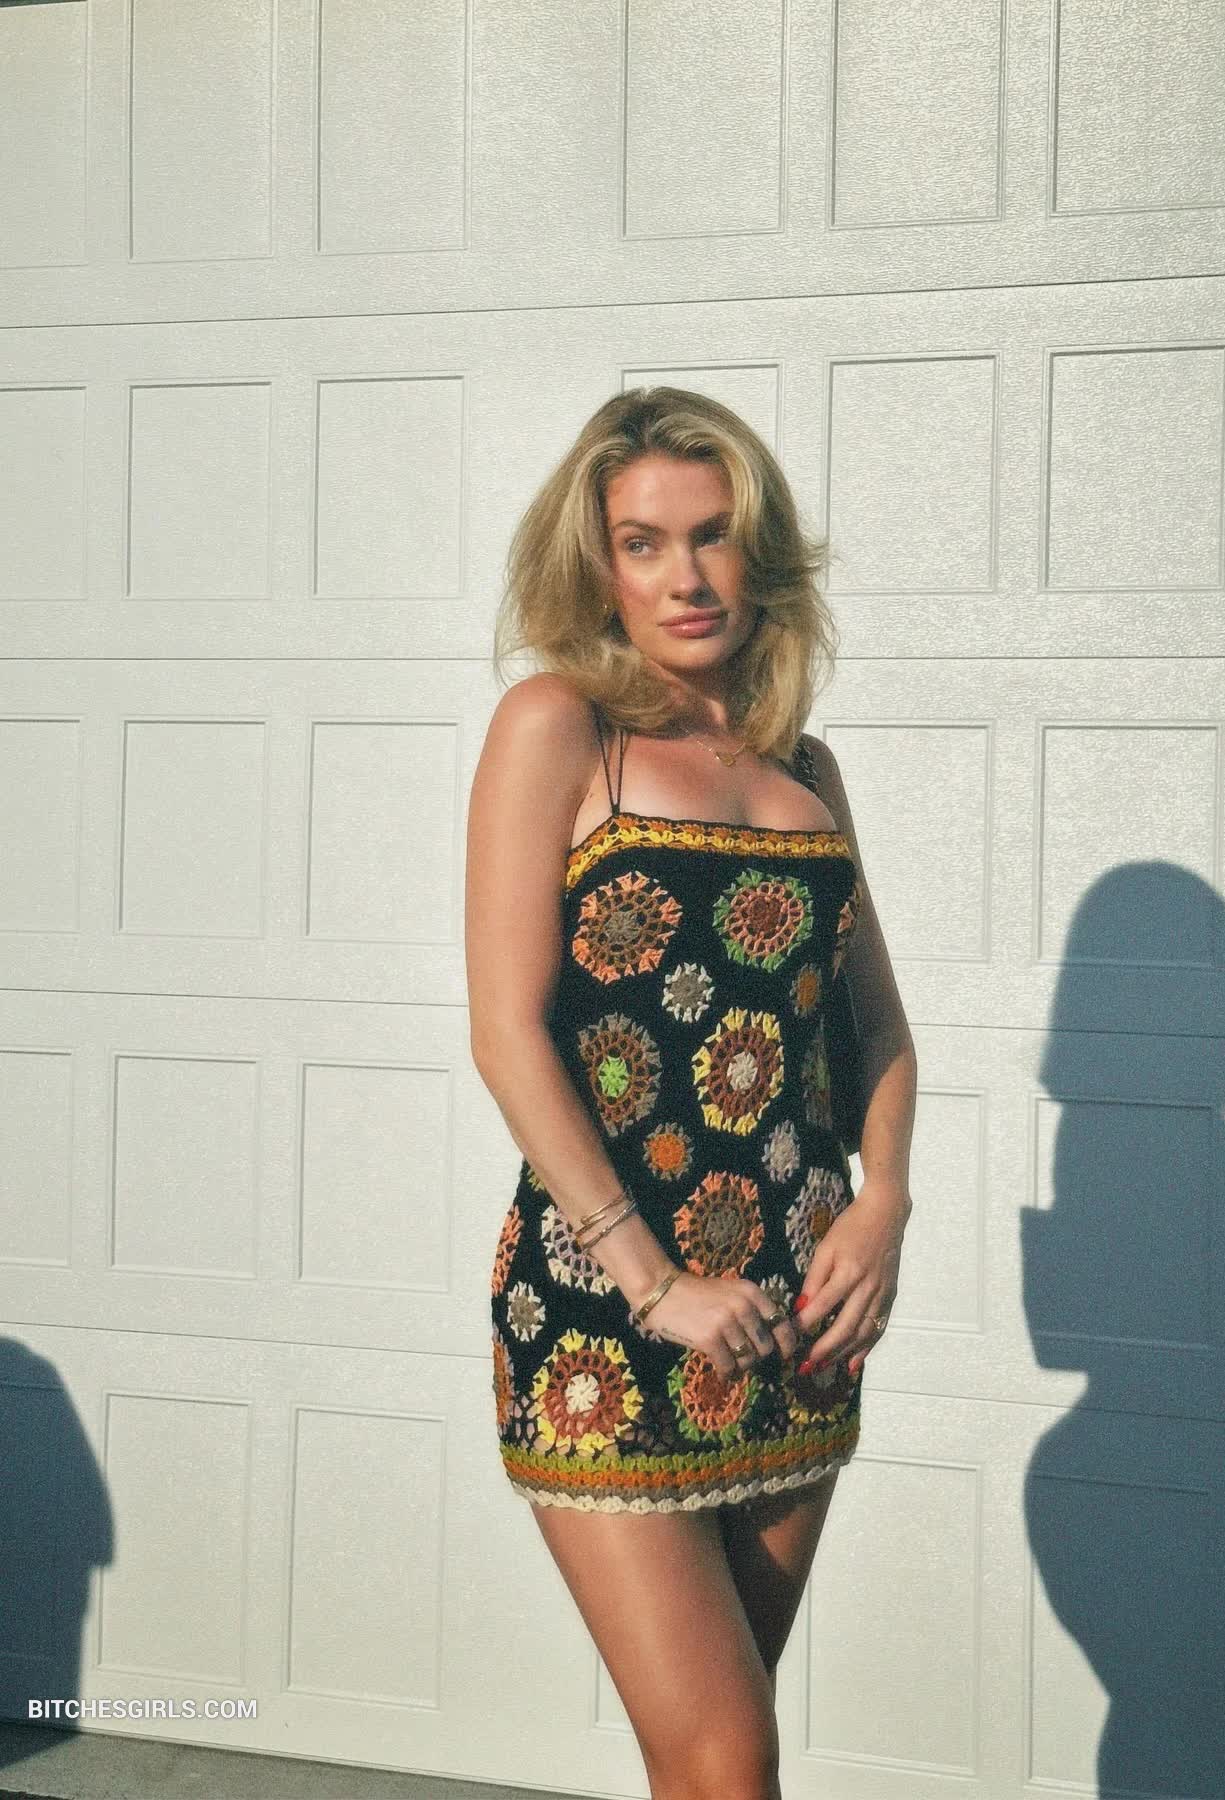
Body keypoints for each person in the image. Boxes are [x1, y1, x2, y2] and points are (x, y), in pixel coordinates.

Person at [465, 386, 917, 1799]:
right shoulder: (559, 727)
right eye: (643, 543)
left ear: (758, 549)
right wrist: (655, 1284)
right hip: (608, 1309)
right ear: (596, 563)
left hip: (796, 1313)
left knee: (710, 1757)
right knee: (729, 1755)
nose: (686, 576)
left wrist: (884, 1205)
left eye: (712, 535)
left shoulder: (807, 767)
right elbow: (507, 1034)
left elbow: (876, 1031)